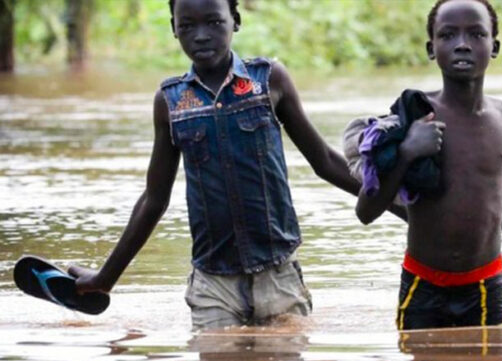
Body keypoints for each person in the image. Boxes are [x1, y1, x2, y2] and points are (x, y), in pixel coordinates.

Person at [67, 0, 402, 330]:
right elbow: (155, 199)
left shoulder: (267, 81)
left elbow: (325, 161)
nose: (200, 35)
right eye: (187, 26)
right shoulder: (171, 102)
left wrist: (406, 210)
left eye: (213, 22)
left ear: (235, 21)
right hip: (213, 284)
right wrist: (105, 277)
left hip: (278, 276)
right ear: (173, 29)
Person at [354, 0, 502, 329]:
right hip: (422, 289)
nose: (462, 44)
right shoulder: (411, 116)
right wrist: (406, 151)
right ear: (431, 48)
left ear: (495, 46)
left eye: (477, 34)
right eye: (448, 35)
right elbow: (366, 211)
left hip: (487, 287)